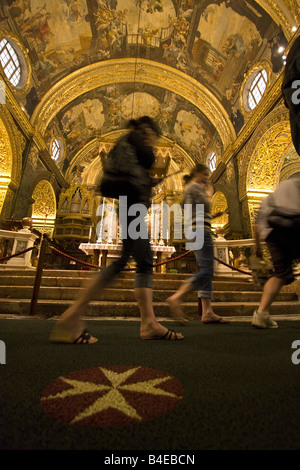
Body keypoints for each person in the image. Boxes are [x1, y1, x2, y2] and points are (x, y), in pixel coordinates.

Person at [50, 116, 183, 344]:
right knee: (126, 263)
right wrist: (148, 164)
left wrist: (147, 181)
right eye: (153, 134)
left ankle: (149, 323)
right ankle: (71, 317)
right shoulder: (136, 136)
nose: (153, 138)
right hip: (132, 205)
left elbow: (135, 171)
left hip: (130, 204)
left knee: (141, 261)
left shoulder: (127, 142)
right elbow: (148, 158)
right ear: (146, 128)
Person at [167, 163, 229, 324]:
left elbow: (195, 211)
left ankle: (207, 312)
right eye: (206, 174)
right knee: (207, 270)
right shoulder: (195, 187)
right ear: (198, 173)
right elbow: (204, 205)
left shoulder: (190, 189)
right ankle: (177, 297)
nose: (207, 178)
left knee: (206, 270)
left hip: (196, 229)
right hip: (200, 230)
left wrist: (214, 216)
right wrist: (209, 193)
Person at [252, 178, 300, 328]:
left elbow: (257, 226)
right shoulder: (295, 185)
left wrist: (258, 248)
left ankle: (261, 314)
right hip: (294, 226)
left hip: (273, 232)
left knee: (279, 273)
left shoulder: (268, 199)